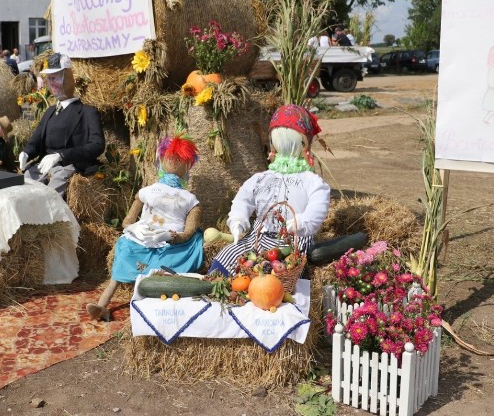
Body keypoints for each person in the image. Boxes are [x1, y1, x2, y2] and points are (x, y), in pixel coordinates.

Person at [86, 134, 203, 321]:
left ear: (188, 164)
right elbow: (128, 219)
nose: (173, 161)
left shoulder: (190, 200)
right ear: (162, 159)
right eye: (170, 156)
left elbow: (189, 231)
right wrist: (132, 229)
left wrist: (176, 237)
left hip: (170, 242)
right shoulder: (147, 192)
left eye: (179, 158)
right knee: (124, 248)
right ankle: (102, 305)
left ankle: (158, 302)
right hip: (142, 236)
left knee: (171, 264)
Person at [209, 104, 331, 276]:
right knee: (227, 254)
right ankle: (212, 286)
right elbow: (243, 200)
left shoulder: (311, 182)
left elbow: (318, 208)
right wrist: (238, 219)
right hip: (258, 236)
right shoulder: (261, 178)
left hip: (293, 240)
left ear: (305, 143)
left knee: (281, 268)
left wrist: (301, 222)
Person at [19, 52, 104, 198]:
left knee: (51, 195)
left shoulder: (87, 112)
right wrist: (26, 152)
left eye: (55, 78)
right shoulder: (50, 111)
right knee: (25, 186)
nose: (51, 83)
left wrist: (61, 156)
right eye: (49, 78)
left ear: (68, 80)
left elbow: (97, 145)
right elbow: (36, 139)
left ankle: (52, 220)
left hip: (68, 165)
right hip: (44, 164)